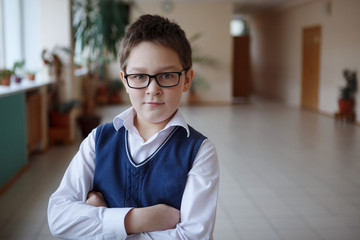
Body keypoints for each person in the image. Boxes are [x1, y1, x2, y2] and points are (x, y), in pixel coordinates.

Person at [48, 14, 219, 240]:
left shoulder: (199, 151)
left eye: (167, 75)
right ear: (124, 80)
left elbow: (192, 237)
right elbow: (59, 217)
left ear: (187, 79)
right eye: (139, 76)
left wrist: (103, 217)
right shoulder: (99, 139)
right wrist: (138, 220)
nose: (152, 89)